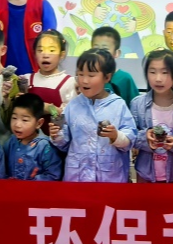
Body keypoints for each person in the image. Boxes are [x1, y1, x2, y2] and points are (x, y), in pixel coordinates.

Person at [49, 48, 136, 183]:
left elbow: (130, 139)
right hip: (77, 178)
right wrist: (57, 135)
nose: (84, 80)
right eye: (80, 74)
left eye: (91, 75)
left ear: (107, 77)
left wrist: (115, 136)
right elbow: (64, 144)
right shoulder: (73, 105)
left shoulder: (118, 105)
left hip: (109, 178)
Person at [131, 49, 173, 184]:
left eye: (165, 72)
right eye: (152, 72)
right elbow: (130, 137)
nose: (158, 78)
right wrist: (145, 137)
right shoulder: (137, 104)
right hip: (145, 175)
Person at [24, 29, 77, 137]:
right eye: (40, 50)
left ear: (62, 54)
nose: (45, 55)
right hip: (28, 143)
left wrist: (50, 109)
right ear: (34, 53)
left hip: (56, 142)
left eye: (52, 50)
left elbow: (71, 117)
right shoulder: (26, 80)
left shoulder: (69, 83)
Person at [5, 93, 62, 181]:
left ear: (39, 123)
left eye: (25, 120)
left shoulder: (45, 146)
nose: (17, 124)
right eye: (14, 118)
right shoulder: (11, 141)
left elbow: (53, 175)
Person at [91, 26, 139, 106]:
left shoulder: (125, 78)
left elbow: (136, 107)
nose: (99, 53)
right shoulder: (87, 77)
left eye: (105, 49)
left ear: (117, 53)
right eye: (95, 49)